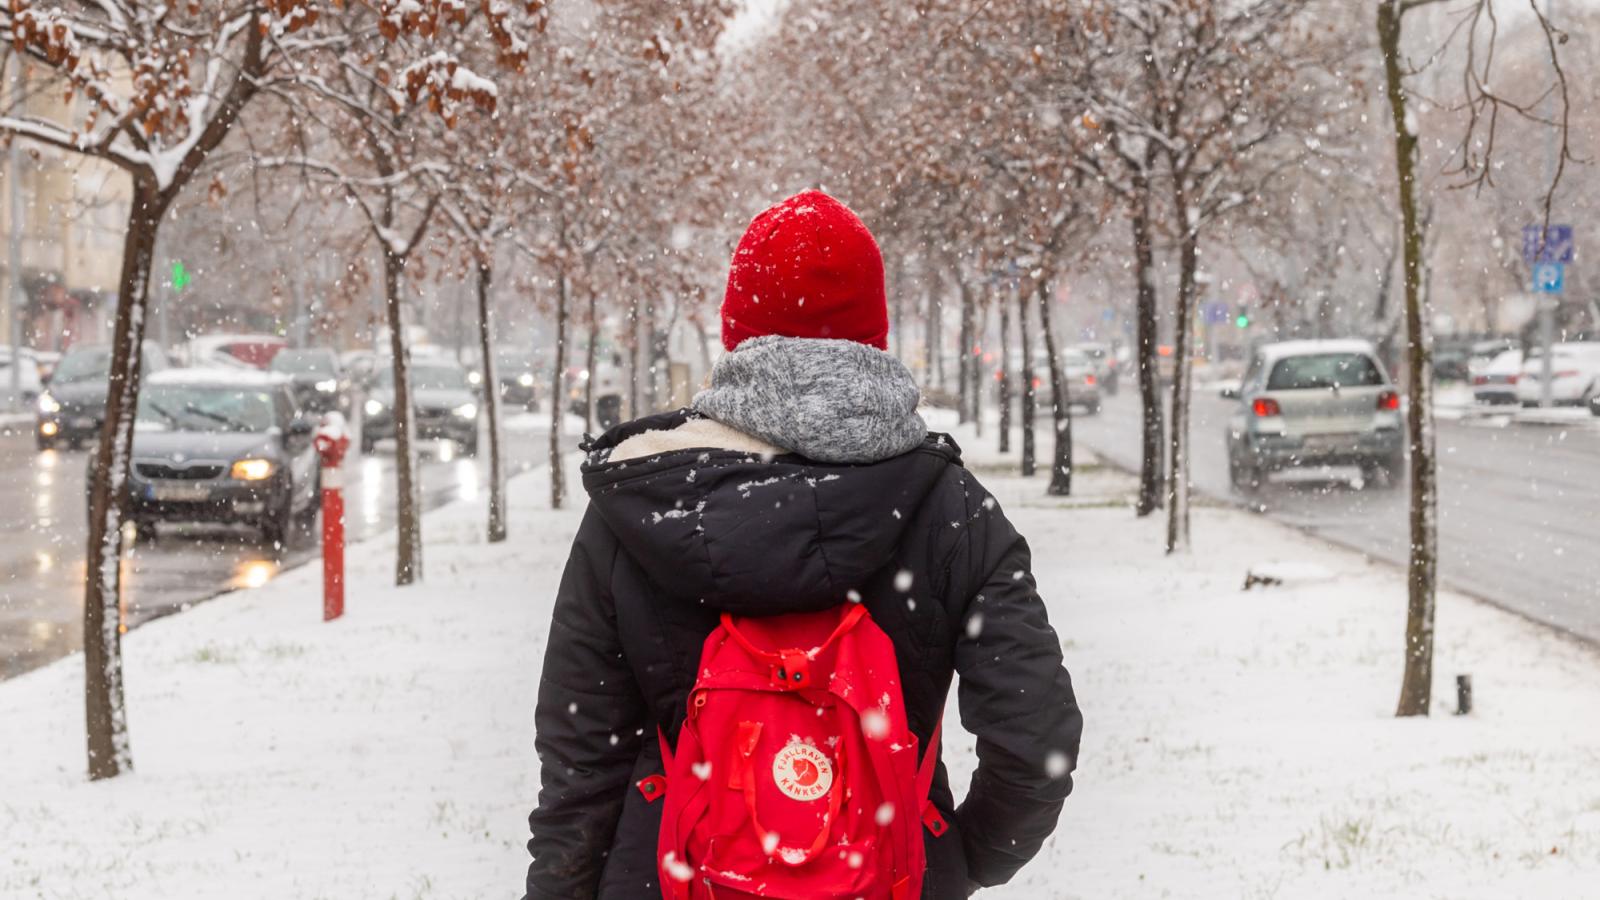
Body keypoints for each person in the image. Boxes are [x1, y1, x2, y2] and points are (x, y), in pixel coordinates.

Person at [524, 190, 1082, 899]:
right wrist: (959, 858)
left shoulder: (640, 504)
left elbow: (580, 760)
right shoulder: (951, 509)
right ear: (873, 333)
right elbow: (1036, 743)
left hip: (674, 875)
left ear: (735, 331)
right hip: (889, 874)